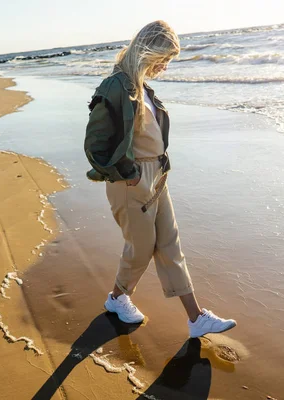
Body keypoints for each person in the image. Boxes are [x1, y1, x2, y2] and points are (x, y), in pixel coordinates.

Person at [84, 20, 236, 338]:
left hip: (157, 176)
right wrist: (129, 175)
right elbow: (95, 144)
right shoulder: (116, 86)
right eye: (164, 59)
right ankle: (116, 298)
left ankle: (197, 319)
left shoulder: (142, 87)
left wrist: (158, 169)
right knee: (141, 248)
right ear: (149, 52)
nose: (165, 66)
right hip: (131, 179)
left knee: (169, 244)